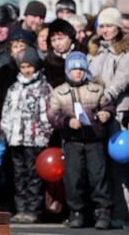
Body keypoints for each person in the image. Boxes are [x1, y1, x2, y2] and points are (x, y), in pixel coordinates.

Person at [48, 51, 114, 229]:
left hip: (94, 141)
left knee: (99, 177)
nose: (77, 72)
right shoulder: (59, 92)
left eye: (81, 69)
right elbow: (52, 114)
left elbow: (108, 105)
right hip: (72, 142)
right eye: (74, 69)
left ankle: (103, 212)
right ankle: (76, 212)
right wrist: (68, 122)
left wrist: (106, 113)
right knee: (73, 179)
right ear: (68, 71)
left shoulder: (96, 90)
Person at [0, 47, 52, 223]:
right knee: (19, 175)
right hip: (15, 139)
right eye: (23, 67)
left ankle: (33, 209)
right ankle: (21, 209)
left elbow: (47, 114)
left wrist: (44, 134)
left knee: (33, 176)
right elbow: (7, 112)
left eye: (30, 66)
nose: (27, 70)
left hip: (35, 140)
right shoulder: (14, 87)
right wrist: (6, 132)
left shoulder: (43, 87)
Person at [87, 7, 129, 227]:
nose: (105, 30)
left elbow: (122, 79)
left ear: (118, 27)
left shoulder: (124, 51)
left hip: (118, 112)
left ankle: (122, 213)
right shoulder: (93, 51)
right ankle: (99, 212)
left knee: (119, 165)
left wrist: (106, 96)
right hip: (94, 113)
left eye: (110, 25)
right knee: (97, 165)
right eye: (102, 26)